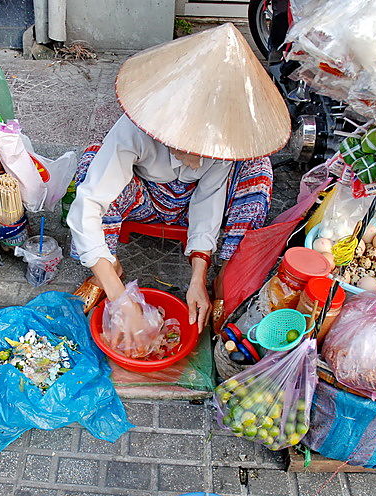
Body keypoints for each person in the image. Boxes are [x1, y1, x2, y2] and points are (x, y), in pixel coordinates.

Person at [67, 23, 290, 346]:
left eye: (206, 149)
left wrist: (197, 277)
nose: (199, 157)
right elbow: (87, 205)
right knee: (92, 163)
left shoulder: (226, 140)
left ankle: (221, 280)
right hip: (146, 196)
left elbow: (209, 199)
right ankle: (105, 269)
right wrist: (121, 299)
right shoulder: (134, 129)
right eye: (190, 146)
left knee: (257, 169)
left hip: (187, 204)